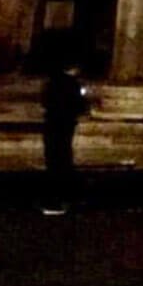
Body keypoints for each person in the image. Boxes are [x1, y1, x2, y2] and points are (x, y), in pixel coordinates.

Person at [41, 61, 88, 214]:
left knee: (54, 160)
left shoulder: (52, 82)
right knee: (63, 159)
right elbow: (80, 105)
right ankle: (65, 199)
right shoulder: (73, 85)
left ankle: (57, 200)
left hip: (53, 122)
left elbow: (45, 101)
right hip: (65, 124)